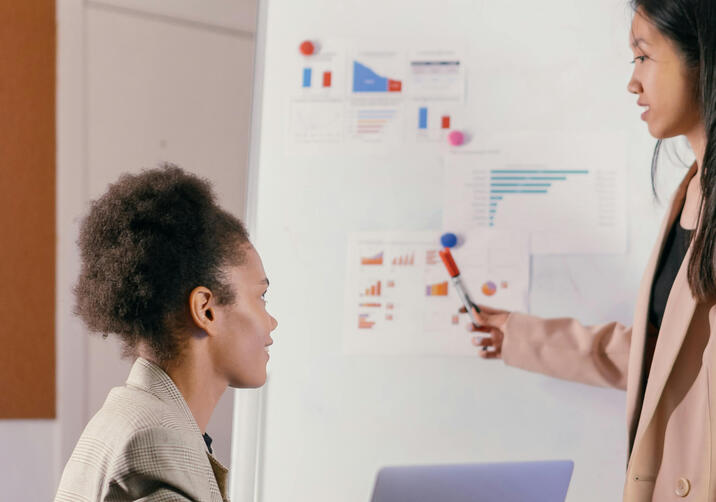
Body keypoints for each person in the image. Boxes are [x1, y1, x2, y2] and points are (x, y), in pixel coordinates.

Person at [461, 1, 715, 500]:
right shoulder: (692, 191)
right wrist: (520, 335)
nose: (633, 83)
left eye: (643, 56)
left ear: (703, 57)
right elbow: (662, 356)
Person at [55, 166, 278, 502]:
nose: (271, 321)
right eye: (261, 296)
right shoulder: (155, 442)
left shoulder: (126, 416)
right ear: (206, 310)